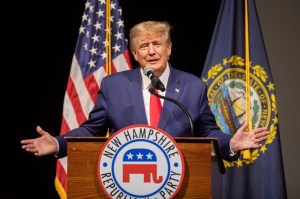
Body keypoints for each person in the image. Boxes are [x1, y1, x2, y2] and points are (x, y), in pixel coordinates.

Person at [21, 20, 269, 161]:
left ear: (169, 49)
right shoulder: (114, 85)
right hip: (127, 179)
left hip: (180, 183)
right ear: (135, 54)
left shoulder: (194, 87)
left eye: (157, 44)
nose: (151, 51)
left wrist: (232, 144)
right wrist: (58, 142)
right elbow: (91, 129)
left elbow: (207, 132)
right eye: (144, 46)